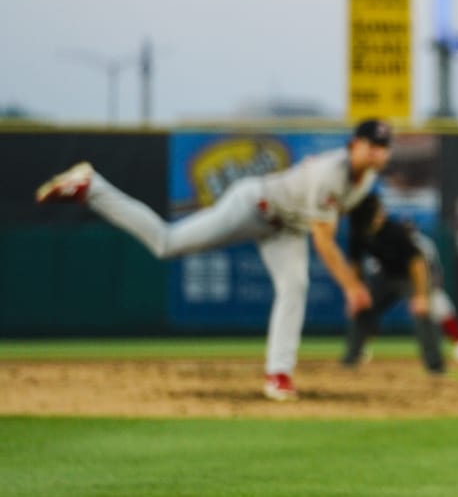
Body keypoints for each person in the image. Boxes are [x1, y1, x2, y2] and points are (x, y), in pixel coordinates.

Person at [34, 118, 394, 401]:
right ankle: (92, 186)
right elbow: (324, 241)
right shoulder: (330, 174)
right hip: (254, 205)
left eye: (384, 147)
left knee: (294, 286)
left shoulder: (367, 179)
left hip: (287, 228)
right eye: (372, 146)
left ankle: (279, 373)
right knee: (167, 243)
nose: (378, 153)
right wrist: (351, 287)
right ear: (354, 145)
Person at [340, 192, 458, 371]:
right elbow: (355, 263)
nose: (380, 216)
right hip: (386, 277)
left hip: (411, 277)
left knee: (424, 312)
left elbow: (417, 264)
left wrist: (421, 295)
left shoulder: (394, 231)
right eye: (376, 212)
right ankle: (350, 360)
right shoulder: (359, 232)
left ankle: (435, 365)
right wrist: (354, 291)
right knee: (361, 308)